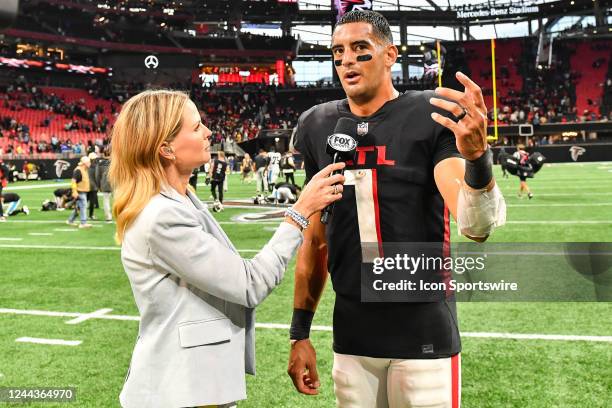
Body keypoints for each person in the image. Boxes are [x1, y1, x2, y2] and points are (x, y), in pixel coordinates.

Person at [287, 10, 506, 408]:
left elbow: (476, 225)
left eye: (359, 48)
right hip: (352, 334)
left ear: (390, 55)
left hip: (422, 332)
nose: (346, 60)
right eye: (337, 52)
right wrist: (299, 332)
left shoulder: (430, 112)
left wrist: (477, 159)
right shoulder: (318, 125)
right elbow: (316, 240)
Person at [108, 89, 345, 408]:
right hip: (180, 389)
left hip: (196, 386)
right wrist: (299, 213)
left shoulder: (179, 200)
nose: (208, 132)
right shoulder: (161, 215)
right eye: (196, 127)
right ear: (165, 148)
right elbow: (249, 285)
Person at [67, 156, 93, 229]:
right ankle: (83, 223)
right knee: (83, 206)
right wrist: (74, 191)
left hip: (83, 191)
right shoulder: (78, 170)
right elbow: (73, 181)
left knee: (78, 207)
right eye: (89, 162)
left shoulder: (84, 169)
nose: (90, 163)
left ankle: (70, 220)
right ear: (85, 163)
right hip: (80, 192)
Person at [95, 146, 113, 222]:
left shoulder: (100, 163)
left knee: (106, 201)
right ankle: (120, 215)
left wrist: (98, 185)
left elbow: (97, 175)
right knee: (118, 200)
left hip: (105, 184)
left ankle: (108, 217)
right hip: (115, 183)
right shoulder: (115, 162)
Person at [87, 152, 99, 220]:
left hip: (86, 186)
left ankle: (76, 213)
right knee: (91, 201)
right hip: (93, 186)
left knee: (83, 201)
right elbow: (97, 177)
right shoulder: (96, 166)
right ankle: (91, 215)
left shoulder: (86, 166)